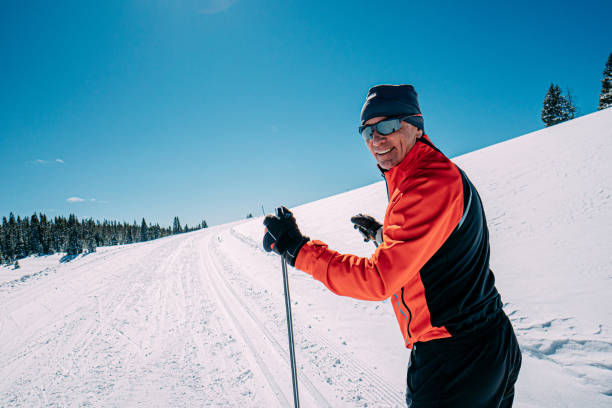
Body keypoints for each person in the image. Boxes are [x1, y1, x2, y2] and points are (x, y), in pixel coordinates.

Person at [263, 84, 521, 407]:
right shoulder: (429, 174)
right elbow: (431, 246)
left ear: (415, 125)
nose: (376, 140)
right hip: (484, 346)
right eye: (367, 132)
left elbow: (378, 280)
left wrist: (299, 250)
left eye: (387, 126)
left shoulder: (426, 184)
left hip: (456, 360)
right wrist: (381, 234)